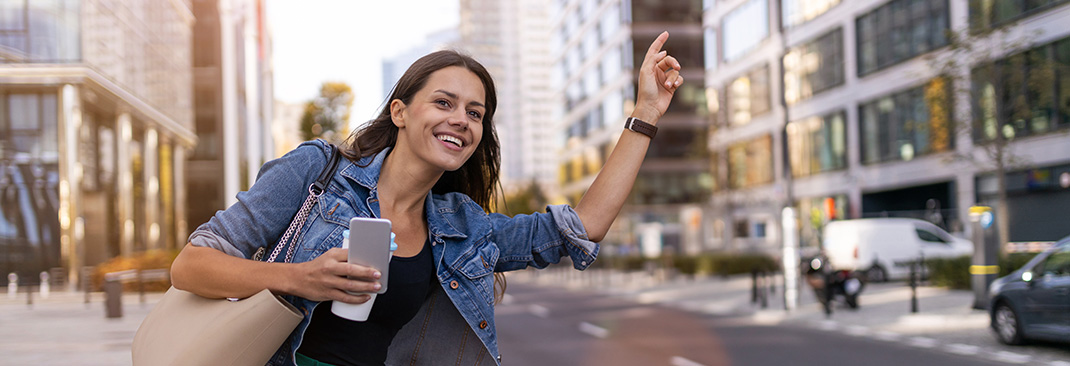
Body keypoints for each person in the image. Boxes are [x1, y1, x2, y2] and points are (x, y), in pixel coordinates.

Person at [170, 32, 684, 366]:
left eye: (476, 112)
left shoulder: (463, 226)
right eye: (444, 102)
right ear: (400, 112)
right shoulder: (317, 172)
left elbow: (583, 226)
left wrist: (645, 113)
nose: (461, 118)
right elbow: (191, 265)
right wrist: (298, 278)